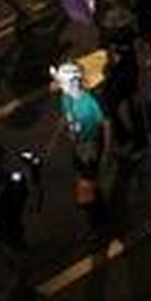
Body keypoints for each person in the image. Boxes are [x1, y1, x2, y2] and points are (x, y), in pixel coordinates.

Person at [51, 60, 110, 231]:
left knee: (86, 190)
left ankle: (97, 223)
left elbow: (106, 124)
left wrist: (106, 149)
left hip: (89, 147)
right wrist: (57, 137)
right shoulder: (66, 97)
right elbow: (68, 117)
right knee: (86, 183)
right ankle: (95, 205)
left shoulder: (90, 101)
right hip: (78, 146)